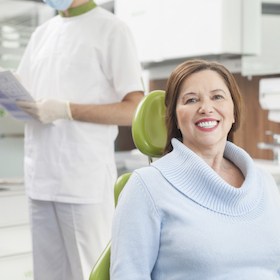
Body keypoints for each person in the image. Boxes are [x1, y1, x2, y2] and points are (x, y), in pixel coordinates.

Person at [110, 59, 280, 279]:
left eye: (217, 96)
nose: (206, 108)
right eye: (191, 100)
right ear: (175, 118)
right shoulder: (146, 187)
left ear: (233, 111)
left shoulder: (264, 183)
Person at [15, 0, 144, 279]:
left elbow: (134, 109)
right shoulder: (42, 33)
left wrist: (67, 110)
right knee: (46, 274)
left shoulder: (112, 30)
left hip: (82, 182)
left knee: (90, 272)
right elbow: (25, 92)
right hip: (40, 177)